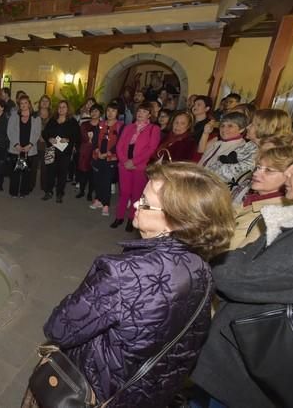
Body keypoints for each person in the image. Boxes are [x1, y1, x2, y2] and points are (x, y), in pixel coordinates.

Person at [41, 162, 235, 408]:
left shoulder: (123, 274)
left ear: (175, 221)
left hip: (101, 390)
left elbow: (59, 328)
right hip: (152, 392)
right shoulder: (203, 270)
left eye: (144, 202)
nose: (135, 204)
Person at [191, 139, 293, 408]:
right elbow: (245, 257)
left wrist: (216, 257)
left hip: (247, 368)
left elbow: (238, 276)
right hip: (235, 353)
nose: (289, 173)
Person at [228, 145, 293, 250]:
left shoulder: (273, 214)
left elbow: (239, 257)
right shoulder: (254, 199)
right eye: (258, 167)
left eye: (269, 170)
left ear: (290, 176)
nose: (256, 173)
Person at [111, 102, 161, 231]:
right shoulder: (129, 127)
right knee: (124, 192)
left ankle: (132, 219)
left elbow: (151, 149)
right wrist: (125, 161)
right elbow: (119, 146)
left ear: (150, 115)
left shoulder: (153, 129)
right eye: (139, 111)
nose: (140, 113)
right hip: (124, 165)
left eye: (144, 112)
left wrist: (134, 162)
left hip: (139, 166)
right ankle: (119, 216)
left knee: (136, 195)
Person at [198, 112, 256, 188]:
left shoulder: (240, 147)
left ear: (241, 129)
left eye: (230, 126)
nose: (224, 129)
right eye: (222, 126)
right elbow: (201, 155)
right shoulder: (217, 143)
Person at [41, 100, 80, 203]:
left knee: (62, 174)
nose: (61, 109)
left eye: (63, 107)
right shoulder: (53, 120)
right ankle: (48, 191)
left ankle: (59, 193)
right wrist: (49, 139)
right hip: (51, 150)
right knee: (50, 172)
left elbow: (77, 136)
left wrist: (68, 139)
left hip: (65, 152)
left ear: (68, 109)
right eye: (59, 107)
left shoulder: (72, 121)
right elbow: (45, 133)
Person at [90, 102, 124, 216]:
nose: (110, 113)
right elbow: (94, 140)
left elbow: (120, 143)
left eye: (113, 111)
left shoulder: (121, 126)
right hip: (98, 156)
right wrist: (97, 151)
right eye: (108, 110)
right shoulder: (100, 124)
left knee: (107, 181)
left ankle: (106, 204)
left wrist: (107, 154)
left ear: (118, 113)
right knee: (97, 179)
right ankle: (98, 199)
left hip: (111, 158)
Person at [7, 95, 41, 197]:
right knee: (15, 171)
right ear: (19, 105)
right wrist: (16, 144)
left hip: (29, 150)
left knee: (26, 172)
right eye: (21, 103)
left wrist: (30, 145)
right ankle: (14, 192)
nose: (24, 105)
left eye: (26, 103)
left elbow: (37, 133)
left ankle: (23, 192)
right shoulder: (14, 116)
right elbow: (10, 131)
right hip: (16, 148)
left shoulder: (36, 117)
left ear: (29, 104)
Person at [75, 104, 102, 200]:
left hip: (96, 152)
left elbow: (103, 140)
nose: (94, 113)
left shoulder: (103, 125)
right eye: (92, 111)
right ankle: (82, 191)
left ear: (100, 113)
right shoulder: (84, 124)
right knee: (83, 172)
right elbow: (82, 137)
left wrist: (93, 141)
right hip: (85, 151)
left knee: (93, 174)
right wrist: (90, 139)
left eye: (96, 111)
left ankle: (90, 193)